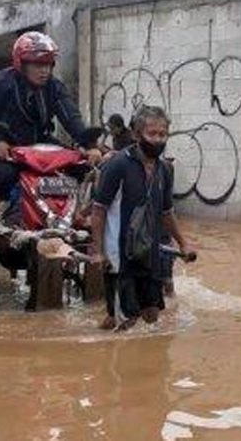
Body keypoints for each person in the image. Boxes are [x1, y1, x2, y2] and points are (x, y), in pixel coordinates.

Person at [0, 31, 103, 221]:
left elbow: (70, 116)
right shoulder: (0, 82)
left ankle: (72, 210)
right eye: (38, 65)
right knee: (4, 176)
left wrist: (89, 144)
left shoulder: (54, 87)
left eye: (48, 65)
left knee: (78, 166)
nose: (45, 71)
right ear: (21, 63)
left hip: (40, 141)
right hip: (10, 143)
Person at [90, 106, 195, 330]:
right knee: (125, 320)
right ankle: (107, 355)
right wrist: (98, 251)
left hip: (149, 254)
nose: (158, 140)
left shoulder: (164, 170)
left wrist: (183, 242)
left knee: (151, 314)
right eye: (152, 134)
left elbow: (167, 213)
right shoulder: (117, 165)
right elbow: (98, 210)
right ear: (137, 135)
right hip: (120, 257)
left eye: (162, 134)